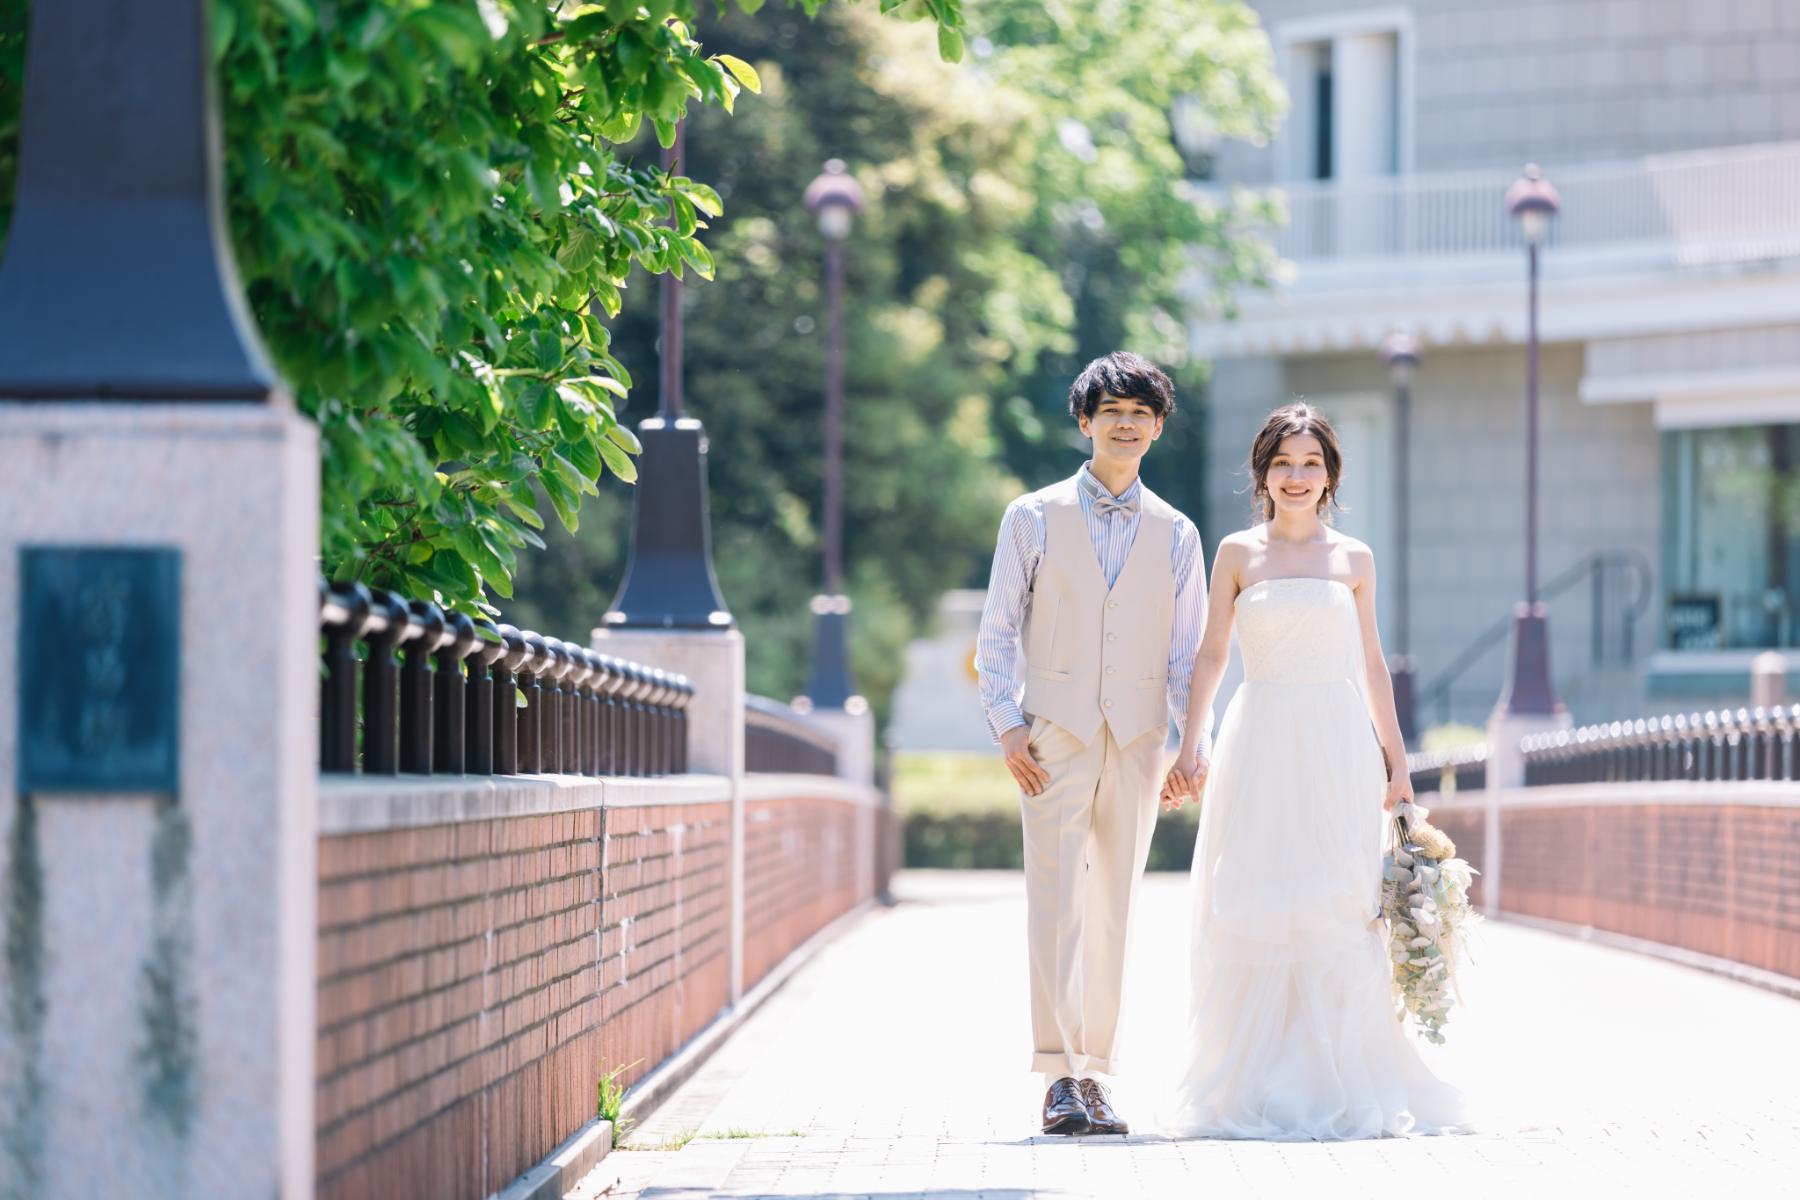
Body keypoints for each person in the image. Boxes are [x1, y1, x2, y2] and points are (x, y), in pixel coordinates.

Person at [1160, 401, 1467, 1139]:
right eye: (1282, 463)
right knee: (1255, 892)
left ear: (1330, 475)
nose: (1296, 477)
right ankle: (1257, 1079)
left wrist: (1397, 764)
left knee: (1335, 898)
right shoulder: (1236, 552)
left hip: (1335, 741)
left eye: (1311, 464)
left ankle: (1342, 1075)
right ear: (1262, 472)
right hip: (1259, 734)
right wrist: (1189, 742)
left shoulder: (1353, 558)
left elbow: (1371, 664)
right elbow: (1210, 656)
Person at [975, 351, 1209, 1136]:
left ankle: (1095, 1076)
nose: (1127, 424)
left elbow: (1187, 655)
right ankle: (1056, 1077)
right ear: (1086, 421)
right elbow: (997, 630)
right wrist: (1007, 724)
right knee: (1055, 902)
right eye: (1113, 410)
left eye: (1142, 413)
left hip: (1139, 740)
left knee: (1114, 905)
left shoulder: (1178, 533)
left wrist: (1190, 747)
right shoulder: (1032, 516)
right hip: (1052, 736)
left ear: (1158, 427)